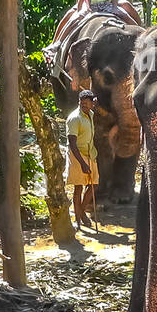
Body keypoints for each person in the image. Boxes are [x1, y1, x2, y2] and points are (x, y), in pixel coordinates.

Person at [66, 90, 99, 229]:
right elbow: (72, 143)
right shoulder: (74, 118)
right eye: (82, 103)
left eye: (87, 103)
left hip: (90, 153)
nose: (84, 106)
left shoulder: (91, 114)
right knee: (78, 187)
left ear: (92, 104)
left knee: (94, 184)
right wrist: (82, 164)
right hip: (77, 155)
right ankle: (78, 218)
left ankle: (81, 212)